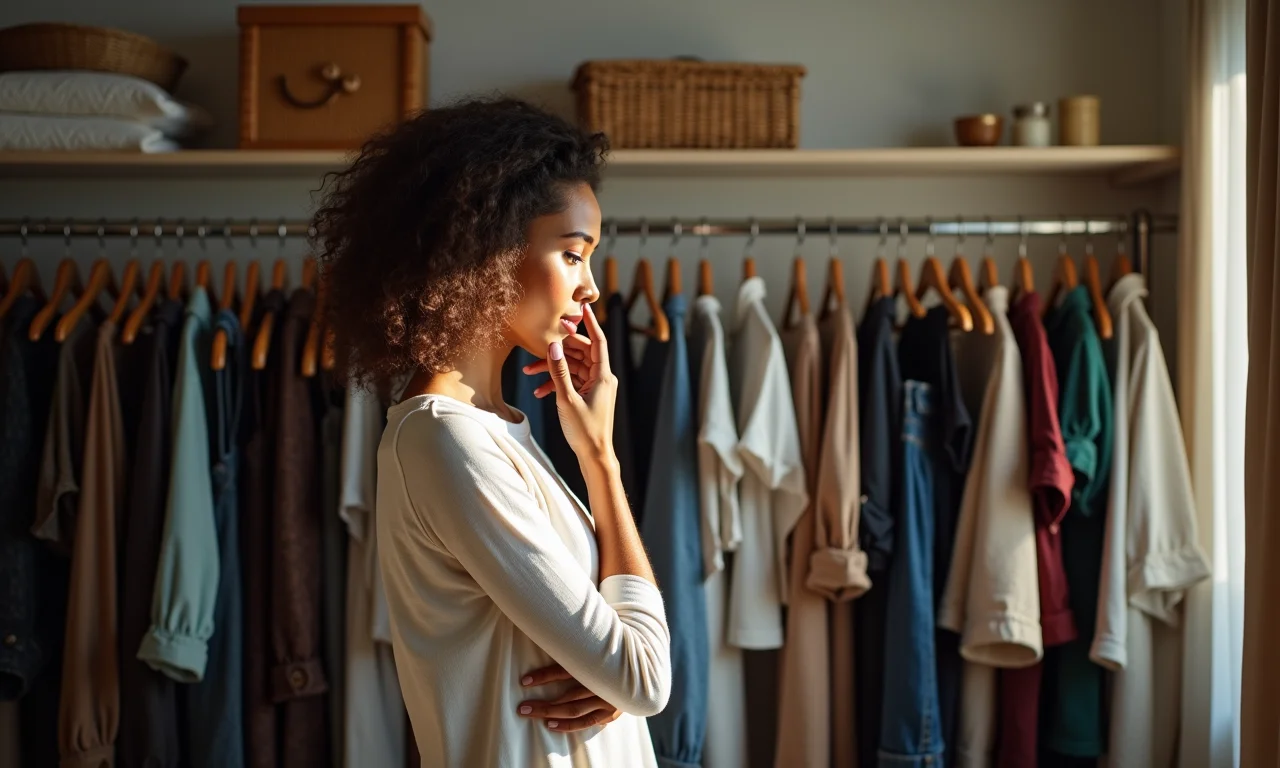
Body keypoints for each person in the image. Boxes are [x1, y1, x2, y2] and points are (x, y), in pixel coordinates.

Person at [313, 96, 673, 767]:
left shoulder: (496, 432)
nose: (591, 286)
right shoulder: (444, 442)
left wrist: (597, 454)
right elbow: (644, 676)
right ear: (487, 252)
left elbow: (622, 667)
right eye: (573, 254)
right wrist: (602, 465)